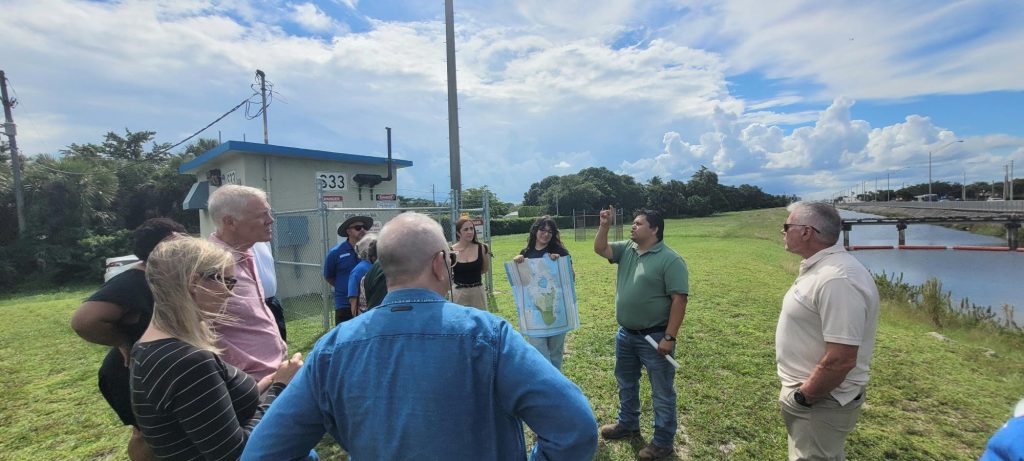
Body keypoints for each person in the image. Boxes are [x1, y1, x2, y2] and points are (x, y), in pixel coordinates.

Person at [241, 212, 598, 460]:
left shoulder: (332, 349)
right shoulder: (489, 336)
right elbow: (576, 428)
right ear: (440, 263)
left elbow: (263, 452)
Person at [129, 237, 313, 461]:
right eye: (226, 281)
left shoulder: (146, 348)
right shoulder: (189, 362)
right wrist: (280, 388)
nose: (230, 292)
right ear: (194, 283)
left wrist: (264, 385)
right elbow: (234, 454)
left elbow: (203, 415)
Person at [71, 217, 186, 461]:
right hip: (129, 371)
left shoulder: (167, 277)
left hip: (158, 369)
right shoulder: (135, 279)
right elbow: (84, 320)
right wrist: (123, 342)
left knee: (168, 431)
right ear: (155, 249)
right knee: (146, 433)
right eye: (175, 243)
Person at [776, 201, 880, 461]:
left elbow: (841, 358)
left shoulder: (838, 279)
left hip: (820, 401)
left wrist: (803, 397)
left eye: (787, 226)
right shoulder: (824, 269)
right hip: (815, 400)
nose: (782, 232)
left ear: (806, 232)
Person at [594, 207, 688, 461]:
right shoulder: (628, 249)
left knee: (662, 391)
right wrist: (604, 225)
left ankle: (663, 442)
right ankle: (628, 424)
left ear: (654, 229)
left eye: (638, 223)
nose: (633, 227)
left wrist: (669, 337)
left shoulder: (670, 259)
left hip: (654, 337)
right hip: (626, 334)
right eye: (633, 223)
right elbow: (600, 249)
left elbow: (679, 300)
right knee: (626, 382)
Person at [207, 185, 287, 380]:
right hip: (248, 385)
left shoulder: (248, 251)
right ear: (230, 222)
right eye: (261, 215)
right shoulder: (209, 268)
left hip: (273, 374)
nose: (270, 220)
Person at [512, 216, 572, 370]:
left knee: (555, 354)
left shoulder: (559, 252)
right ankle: (548, 384)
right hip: (534, 315)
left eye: (550, 232)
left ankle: (555, 385)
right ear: (535, 231)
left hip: (556, 312)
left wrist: (559, 264)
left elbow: (570, 278)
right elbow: (522, 284)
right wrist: (518, 264)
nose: (546, 234)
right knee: (539, 354)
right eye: (542, 230)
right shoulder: (525, 253)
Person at [324, 215, 372, 324]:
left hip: (367, 304)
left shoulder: (371, 251)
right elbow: (329, 276)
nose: (362, 230)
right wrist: (348, 287)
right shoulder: (336, 252)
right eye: (358, 228)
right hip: (344, 305)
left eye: (364, 227)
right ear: (348, 231)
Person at [450, 216, 490, 310]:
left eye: (472, 228)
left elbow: (484, 269)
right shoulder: (451, 251)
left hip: (477, 292)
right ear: (458, 233)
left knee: (480, 322)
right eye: (466, 229)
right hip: (458, 293)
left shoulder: (483, 248)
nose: (470, 232)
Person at [253, 241, 286, 341]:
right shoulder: (229, 245)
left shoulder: (264, 241)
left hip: (272, 302)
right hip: (254, 306)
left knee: (280, 341)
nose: (270, 224)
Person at [346, 234, 376, 317]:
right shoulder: (359, 270)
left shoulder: (377, 266)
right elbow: (353, 298)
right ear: (367, 251)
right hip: (365, 314)